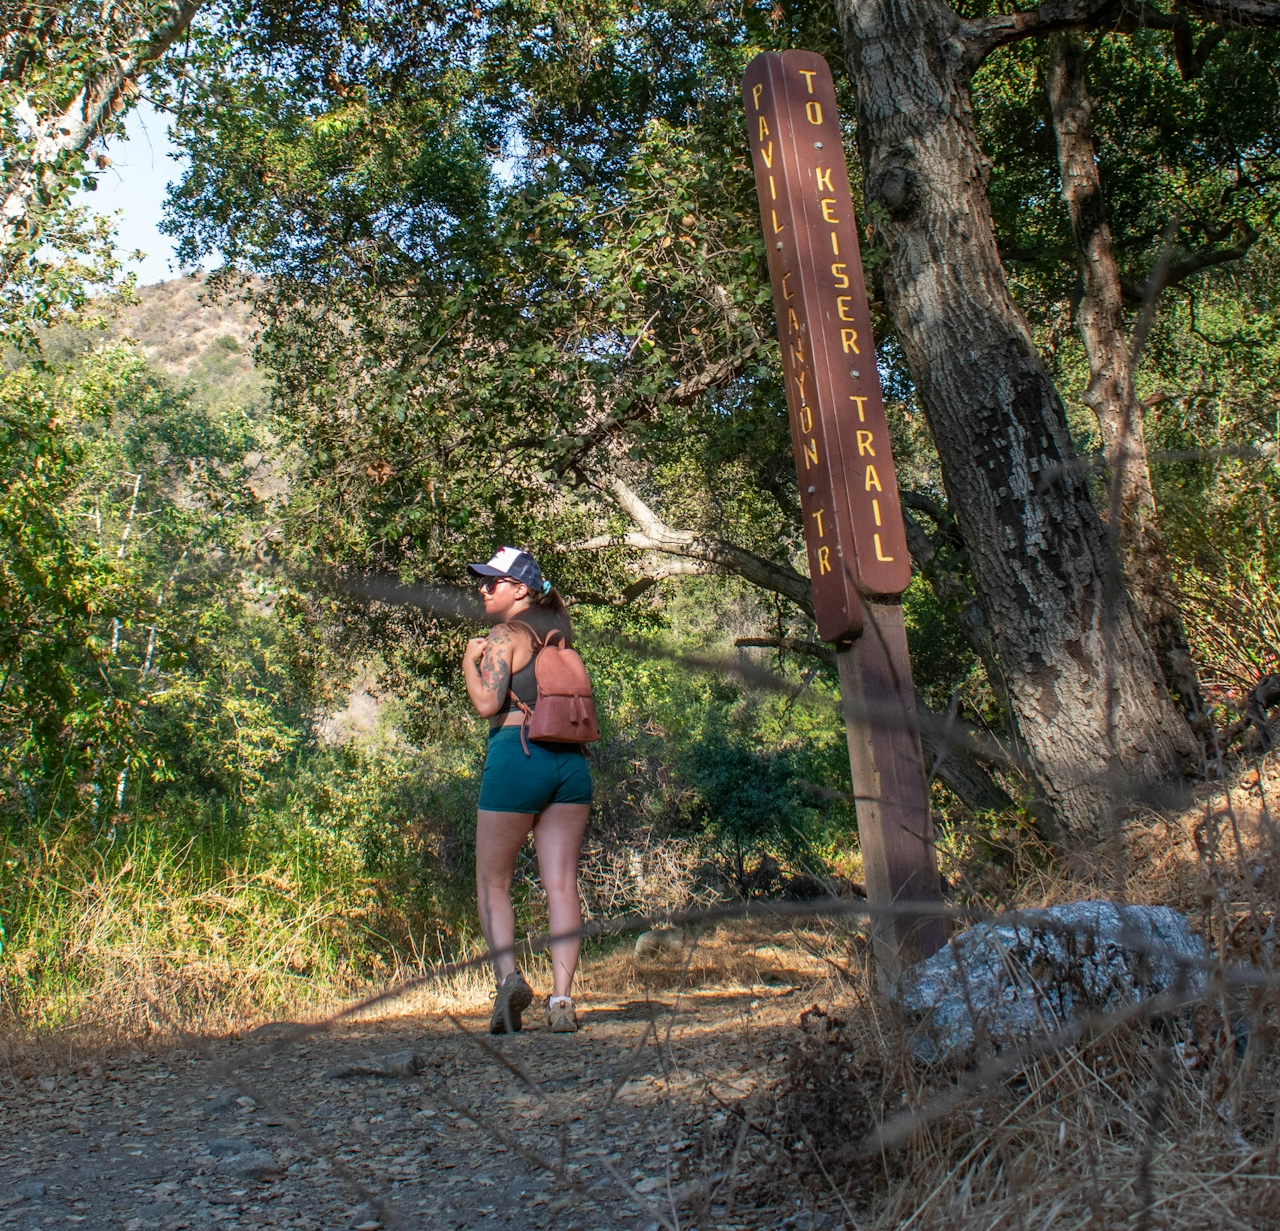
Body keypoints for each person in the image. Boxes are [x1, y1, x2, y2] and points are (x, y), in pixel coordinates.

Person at [462, 547, 593, 1034]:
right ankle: (562, 1001)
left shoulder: (505, 636)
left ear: (519, 589)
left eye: (492, 582)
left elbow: (486, 703)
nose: (483, 588)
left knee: (492, 881)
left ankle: (509, 981)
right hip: (571, 766)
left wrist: (468, 663)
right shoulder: (561, 636)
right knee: (561, 884)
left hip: (517, 755)